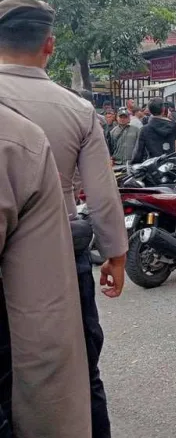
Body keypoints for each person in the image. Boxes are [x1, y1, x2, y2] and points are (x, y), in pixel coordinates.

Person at [0, 0, 128, 437]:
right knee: (77, 369)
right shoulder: (76, 109)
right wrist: (115, 255)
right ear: (49, 45)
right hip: (58, 260)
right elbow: (102, 192)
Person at [0, 100, 91, 438]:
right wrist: (114, 251)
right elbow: (40, 314)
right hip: (55, 237)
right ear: (49, 46)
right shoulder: (25, 136)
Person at [132, 97, 176, 163]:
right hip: (171, 166)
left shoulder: (145, 129)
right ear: (163, 109)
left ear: (149, 111)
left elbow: (138, 152)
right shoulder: (173, 125)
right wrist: (170, 119)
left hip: (154, 166)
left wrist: (133, 164)